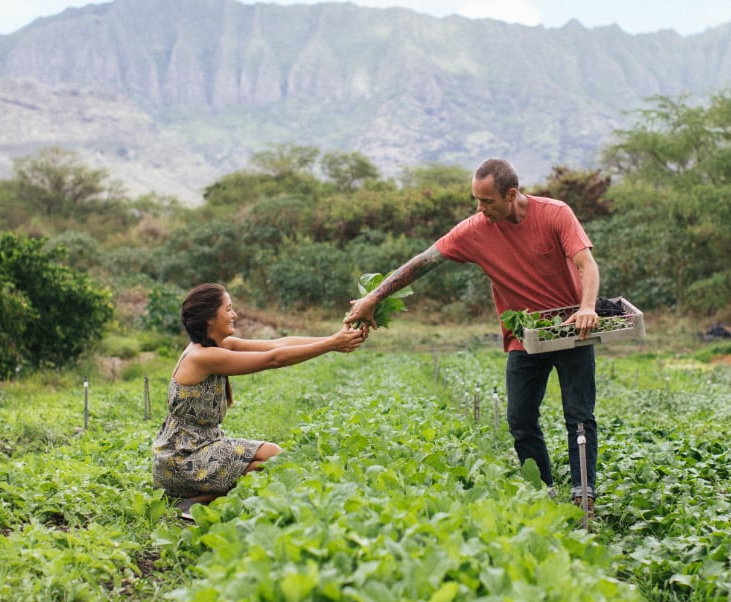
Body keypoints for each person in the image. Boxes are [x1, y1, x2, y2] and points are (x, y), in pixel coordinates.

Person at [346, 158, 600, 512]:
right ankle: (544, 492)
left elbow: (586, 264)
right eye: (476, 200)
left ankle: (583, 493)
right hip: (525, 337)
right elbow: (422, 261)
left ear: (511, 194)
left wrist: (586, 308)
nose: (480, 208)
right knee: (520, 419)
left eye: (487, 201)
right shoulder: (475, 229)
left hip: (572, 329)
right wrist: (374, 296)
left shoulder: (555, 214)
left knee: (579, 415)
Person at [154, 282, 367, 521]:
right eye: (228, 309)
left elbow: (279, 344)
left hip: (199, 447)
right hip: (182, 459)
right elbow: (273, 359)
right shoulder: (203, 357)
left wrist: (334, 338)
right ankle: (195, 500)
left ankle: (197, 499)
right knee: (273, 457)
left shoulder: (218, 346)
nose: (234, 315)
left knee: (272, 458)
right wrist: (331, 345)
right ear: (209, 318)